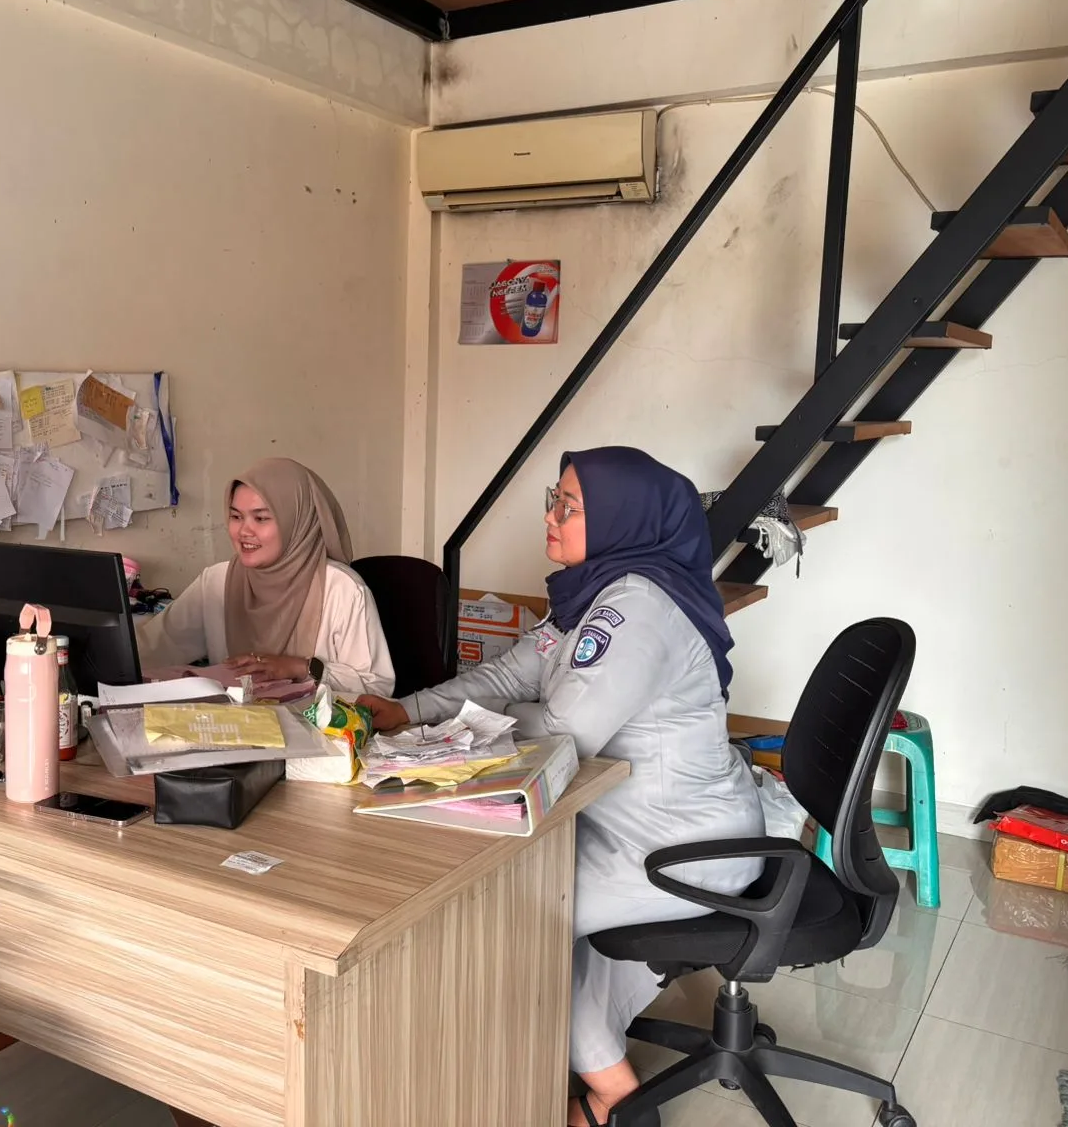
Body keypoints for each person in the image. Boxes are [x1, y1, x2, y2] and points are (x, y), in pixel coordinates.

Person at [357, 447, 763, 1127]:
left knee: (504, 915)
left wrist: (454, 731)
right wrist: (410, 711)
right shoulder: (595, 591)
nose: (550, 516)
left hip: (683, 849)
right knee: (523, 910)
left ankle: (573, 1097)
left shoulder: (638, 606)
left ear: (622, 516)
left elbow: (561, 733)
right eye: (554, 499)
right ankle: (614, 1093)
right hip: (625, 829)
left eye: (568, 506)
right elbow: (508, 675)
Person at [137, 457, 395, 698]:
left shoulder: (342, 589)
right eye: (236, 517)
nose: (243, 531)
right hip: (233, 725)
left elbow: (377, 688)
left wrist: (301, 668)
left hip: (316, 728)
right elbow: (150, 650)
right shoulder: (217, 581)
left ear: (297, 521)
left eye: (260, 518)